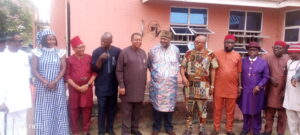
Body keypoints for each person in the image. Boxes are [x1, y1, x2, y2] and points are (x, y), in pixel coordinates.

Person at [31, 30, 70, 135]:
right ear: (44, 40)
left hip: (58, 86)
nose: (51, 41)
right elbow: (34, 70)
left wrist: (55, 81)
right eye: (48, 39)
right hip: (42, 86)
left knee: (58, 109)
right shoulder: (37, 52)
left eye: (53, 39)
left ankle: (60, 132)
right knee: (44, 109)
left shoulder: (60, 52)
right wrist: (45, 82)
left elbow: (63, 68)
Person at [180, 35, 218, 135]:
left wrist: (212, 85)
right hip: (190, 86)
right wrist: (183, 78)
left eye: (198, 42)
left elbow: (213, 69)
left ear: (204, 43)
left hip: (203, 87)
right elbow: (182, 67)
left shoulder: (210, 54)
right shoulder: (188, 53)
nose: (195, 43)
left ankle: (202, 129)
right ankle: (188, 129)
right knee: (189, 109)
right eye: (195, 41)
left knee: (203, 110)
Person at [148, 30, 180, 135]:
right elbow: (149, 64)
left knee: (169, 107)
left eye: (165, 38)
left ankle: (169, 127)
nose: (163, 40)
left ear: (170, 39)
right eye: (162, 38)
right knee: (157, 106)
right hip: (157, 85)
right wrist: (157, 76)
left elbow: (177, 64)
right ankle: (156, 128)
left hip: (171, 85)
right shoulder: (153, 50)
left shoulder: (176, 50)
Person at [0, 33, 32, 135]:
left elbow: (27, 76)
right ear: (8, 42)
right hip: (7, 99)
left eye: (21, 41)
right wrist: (1, 101)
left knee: (22, 124)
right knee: (7, 126)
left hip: (22, 98)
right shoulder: (2, 57)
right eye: (16, 41)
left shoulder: (24, 55)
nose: (19, 43)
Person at [116, 33, 147, 135]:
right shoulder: (124, 52)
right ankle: (125, 131)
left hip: (140, 88)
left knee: (137, 112)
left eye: (140, 40)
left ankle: (134, 128)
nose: (138, 41)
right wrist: (121, 85)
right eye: (136, 39)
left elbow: (145, 69)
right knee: (126, 111)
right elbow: (119, 70)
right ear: (131, 40)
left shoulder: (143, 53)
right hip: (127, 88)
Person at [211, 35, 242, 135]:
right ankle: (216, 129)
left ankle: (229, 129)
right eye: (227, 42)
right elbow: (212, 70)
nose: (229, 44)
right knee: (217, 109)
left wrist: (240, 86)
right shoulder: (215, 54)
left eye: (231, 43)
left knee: (230, 110)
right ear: (224, 42)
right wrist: (212, 85)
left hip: (232, 87)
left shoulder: (238, 55)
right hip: (218, 86)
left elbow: (239, 72)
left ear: (234, 44)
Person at [91, 32, 121, 135]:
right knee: (102, 110)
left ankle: (110, 129)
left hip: (113, 86)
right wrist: (100, 59)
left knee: (112, 110)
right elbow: (94, 69)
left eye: (105, 41)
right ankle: (101, 131)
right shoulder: (96, 52)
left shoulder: (117, 51)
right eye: (101, 40)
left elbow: (120, 67)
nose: (102, 43)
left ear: (111, 41)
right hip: (101, 87)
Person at [67, 36, 97, 135]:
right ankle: (74, 131)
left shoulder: (89, 57)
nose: (82, 49)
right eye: (79, 47)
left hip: (86, 89)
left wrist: (87, 85)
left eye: (83, 46)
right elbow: (67, 76)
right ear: (74, 48)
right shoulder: (69, 60)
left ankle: (85, 131)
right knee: (73, 110)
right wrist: (77, 87)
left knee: (87, 110)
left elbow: (94, 73)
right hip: (74, 89)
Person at [238, 42, 269, 135]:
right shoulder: (242, 61)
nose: (252, 51)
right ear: (247, 50)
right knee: (245, 110)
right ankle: (245, 128)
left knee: (256, 111)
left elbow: (266, 76)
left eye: (254, 50)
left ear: (258, 51)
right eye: (250, 49)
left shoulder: (263, 62)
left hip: (257, 91)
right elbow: (238, 74)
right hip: (245, 91)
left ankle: (256, 130)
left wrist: (259, 86)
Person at [262, 41, 289, 135]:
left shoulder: (288, 60)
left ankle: (280, 132)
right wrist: (270, 78)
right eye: (275, 48)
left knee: (282, 114)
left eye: (279, 48)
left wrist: (285, 92)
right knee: (269, 112)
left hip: (283, 90)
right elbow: (264, 73)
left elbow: (289, 77)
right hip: (270, 90)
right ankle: (267, 130)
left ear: (284, 49)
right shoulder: (267, 59)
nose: (276, 50)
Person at [284, 43, 300, 135]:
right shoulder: (289, 62)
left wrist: (296, 78)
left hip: (299, 99)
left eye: (291, 52)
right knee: (292, 123)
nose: (289, 54)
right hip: (289, 98)